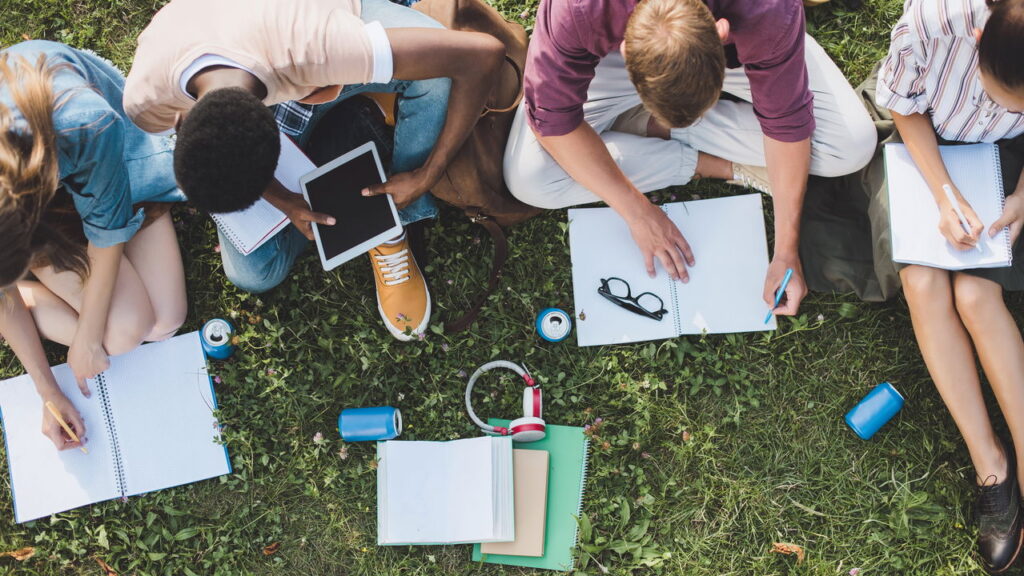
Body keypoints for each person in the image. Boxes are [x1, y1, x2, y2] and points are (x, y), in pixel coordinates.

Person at [123, 0, 504, 341]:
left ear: (280, 138)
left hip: (315, 26)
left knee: (435, 79)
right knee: (255, 274)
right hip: (254, 54)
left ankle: (395, 216)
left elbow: (481, 56)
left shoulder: (321, 46)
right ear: (181, 121)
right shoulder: (146, 99)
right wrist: (283, 198)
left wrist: (429, 173)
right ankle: (352, 152)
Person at [504, 0, 876, 317]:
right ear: (627, 52)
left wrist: (785, 251)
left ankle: (647, 127)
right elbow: (550, 119)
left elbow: (788, 123)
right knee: (530, 178)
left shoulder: (769, 11)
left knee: (850, 147)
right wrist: (637, 211)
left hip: (742, 44)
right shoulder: (579, 10)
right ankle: (700, 155)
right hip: (610, 57)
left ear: (721, 33)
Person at [877, 0, 1024, 571]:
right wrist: (943, 194)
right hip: (927, 151)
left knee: (976, 294)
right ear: (981, 37)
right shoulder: (931, 23)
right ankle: (991, 462)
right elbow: (905, 111)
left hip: (1007, 161)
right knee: (924, 283)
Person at [0, 41, 187, 451]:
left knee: (163, 323)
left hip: (100, 160)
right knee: (126, 333)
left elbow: (107, 229)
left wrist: (86, 337)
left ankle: (38, 293)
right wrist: (48, 391)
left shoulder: (84, 126)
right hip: (43, 190)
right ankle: (31, 296)